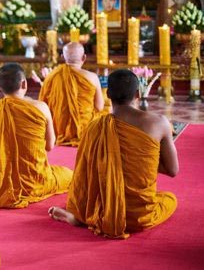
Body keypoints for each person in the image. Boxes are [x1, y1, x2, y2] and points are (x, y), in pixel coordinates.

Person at [48, 69, 179, 239]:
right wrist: (145, 158)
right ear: (138, 94)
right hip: (138, 216)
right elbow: (173, 170)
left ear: (108, 94)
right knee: (169, 199)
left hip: (101, 207)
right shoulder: (159, 123)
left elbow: (83, 175)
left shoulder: (94, 127)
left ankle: (82, 216)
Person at [0, 64, 72, 209]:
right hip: (34, 181)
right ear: (24, 83)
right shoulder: (41, 108)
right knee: (69, 175)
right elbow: (50, 146)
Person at [39, 42, 104, 146]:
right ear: (84, 57)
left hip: (59, 129)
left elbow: (43, 105)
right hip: (86, 129)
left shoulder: (52, 76)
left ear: (62, 57)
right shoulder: (92, 77)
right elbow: (99, 107)